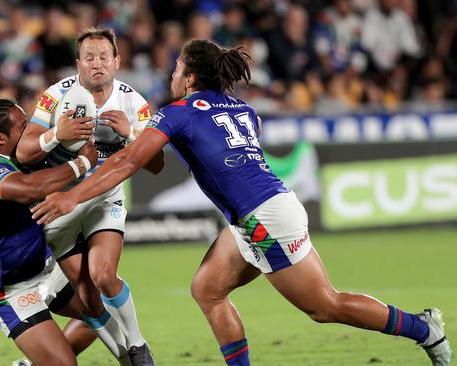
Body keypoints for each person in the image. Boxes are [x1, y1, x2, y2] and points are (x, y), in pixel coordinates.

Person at [31, 39, 452, 366]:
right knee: (208, 290)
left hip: (263, 218)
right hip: (257, 213)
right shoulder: (242, 109)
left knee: (325, 306)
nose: (173, 75)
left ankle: (424, 329)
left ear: (191, 78)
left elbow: (127, 162)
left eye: (178, 69)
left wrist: (71, 197)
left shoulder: (178, 111)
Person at [16, 27, 162, 365]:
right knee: (87, 299)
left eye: (104, 57)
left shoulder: (134, 103)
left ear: (117, 61)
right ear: (78, 63)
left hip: (104, 199)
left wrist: (131, 135)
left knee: (103, 275)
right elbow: (25, 152)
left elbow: (156, 165)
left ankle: (138, 347)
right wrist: (56, 134)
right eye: (89, 57)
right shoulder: (55, 96)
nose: (97, 64)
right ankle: (126, 359)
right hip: (61, 205)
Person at [0, 98, 100, 366]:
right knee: (64, 365)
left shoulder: (20, 154)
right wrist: (81, 164)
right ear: (0, 137)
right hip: (9, 287)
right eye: (23, 125)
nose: (30, 129)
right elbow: (30, 188)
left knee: (103, 312)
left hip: (45, 268)